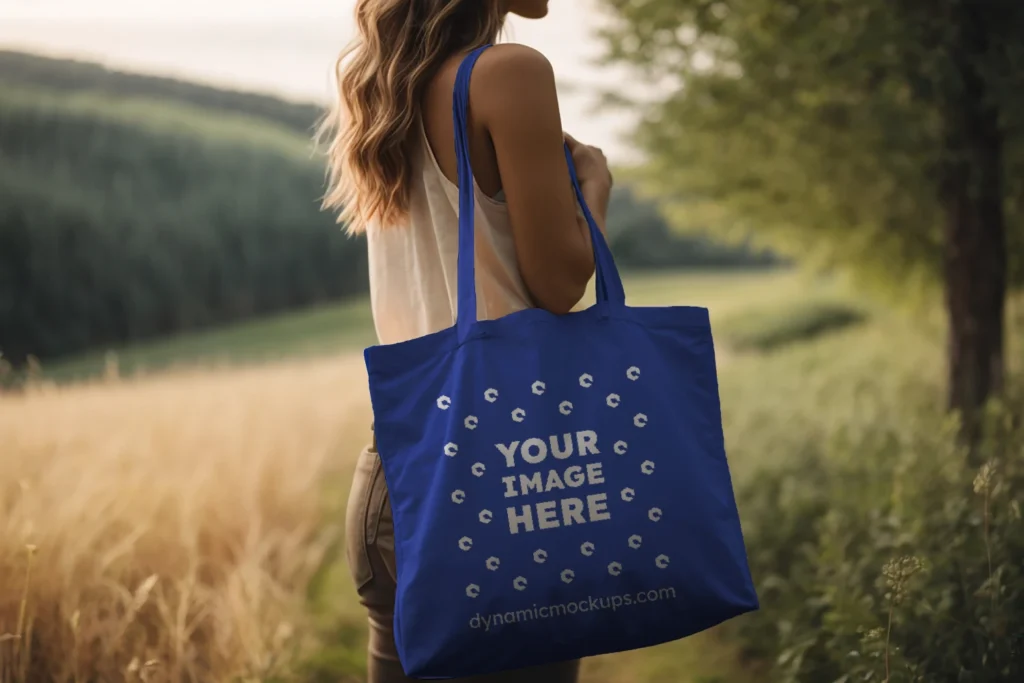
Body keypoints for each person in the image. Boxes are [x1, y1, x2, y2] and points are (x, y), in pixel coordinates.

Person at [319, 1, 614, 681]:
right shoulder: (509, 74)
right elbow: (560, 282)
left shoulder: (382, 85)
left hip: (395, 483)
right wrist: (594, 190)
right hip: (512, 476)